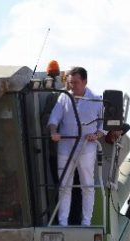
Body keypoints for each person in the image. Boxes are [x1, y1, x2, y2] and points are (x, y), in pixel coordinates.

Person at [47, 66, 105, 226]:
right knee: (64, 185)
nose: (72, 86)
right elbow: (54, 118)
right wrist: (53, 132)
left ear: (85, 81)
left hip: (87, 148)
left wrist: (96, 135)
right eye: (70, 82)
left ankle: (86, 222)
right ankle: (62, 222)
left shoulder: (96, 99)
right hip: (65, 147)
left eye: (76, 83)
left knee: (87, 185)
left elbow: (104, 125)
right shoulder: (63, 98)